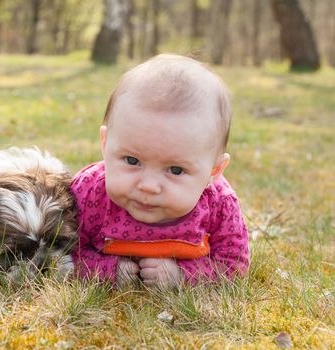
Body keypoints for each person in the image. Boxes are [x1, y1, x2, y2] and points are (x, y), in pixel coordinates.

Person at [71, 54, 250, 289]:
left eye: (175, 170)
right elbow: (65, 252)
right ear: (105, 144)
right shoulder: (88, 192)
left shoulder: (219, 204)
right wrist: (109, 270)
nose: (148, 186)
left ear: (213, 172)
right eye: (132, 160)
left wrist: (182, 276)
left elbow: (233, 264)